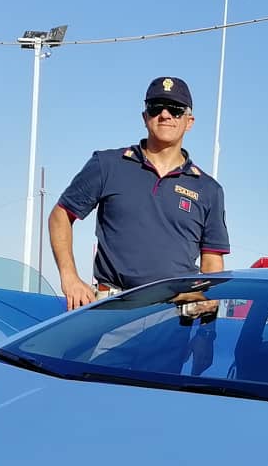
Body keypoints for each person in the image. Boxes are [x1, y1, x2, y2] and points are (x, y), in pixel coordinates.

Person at [48, 76, 230, 310]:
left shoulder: (209, 190)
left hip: (174, 319)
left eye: (175, 110)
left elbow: (212, 260)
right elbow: (60, 216)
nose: (165, 115)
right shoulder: (108, 165)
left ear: (189, 121)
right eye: (156, 107)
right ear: (145, 117)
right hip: (114, 311)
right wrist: (69, 277)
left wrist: (208, 307)